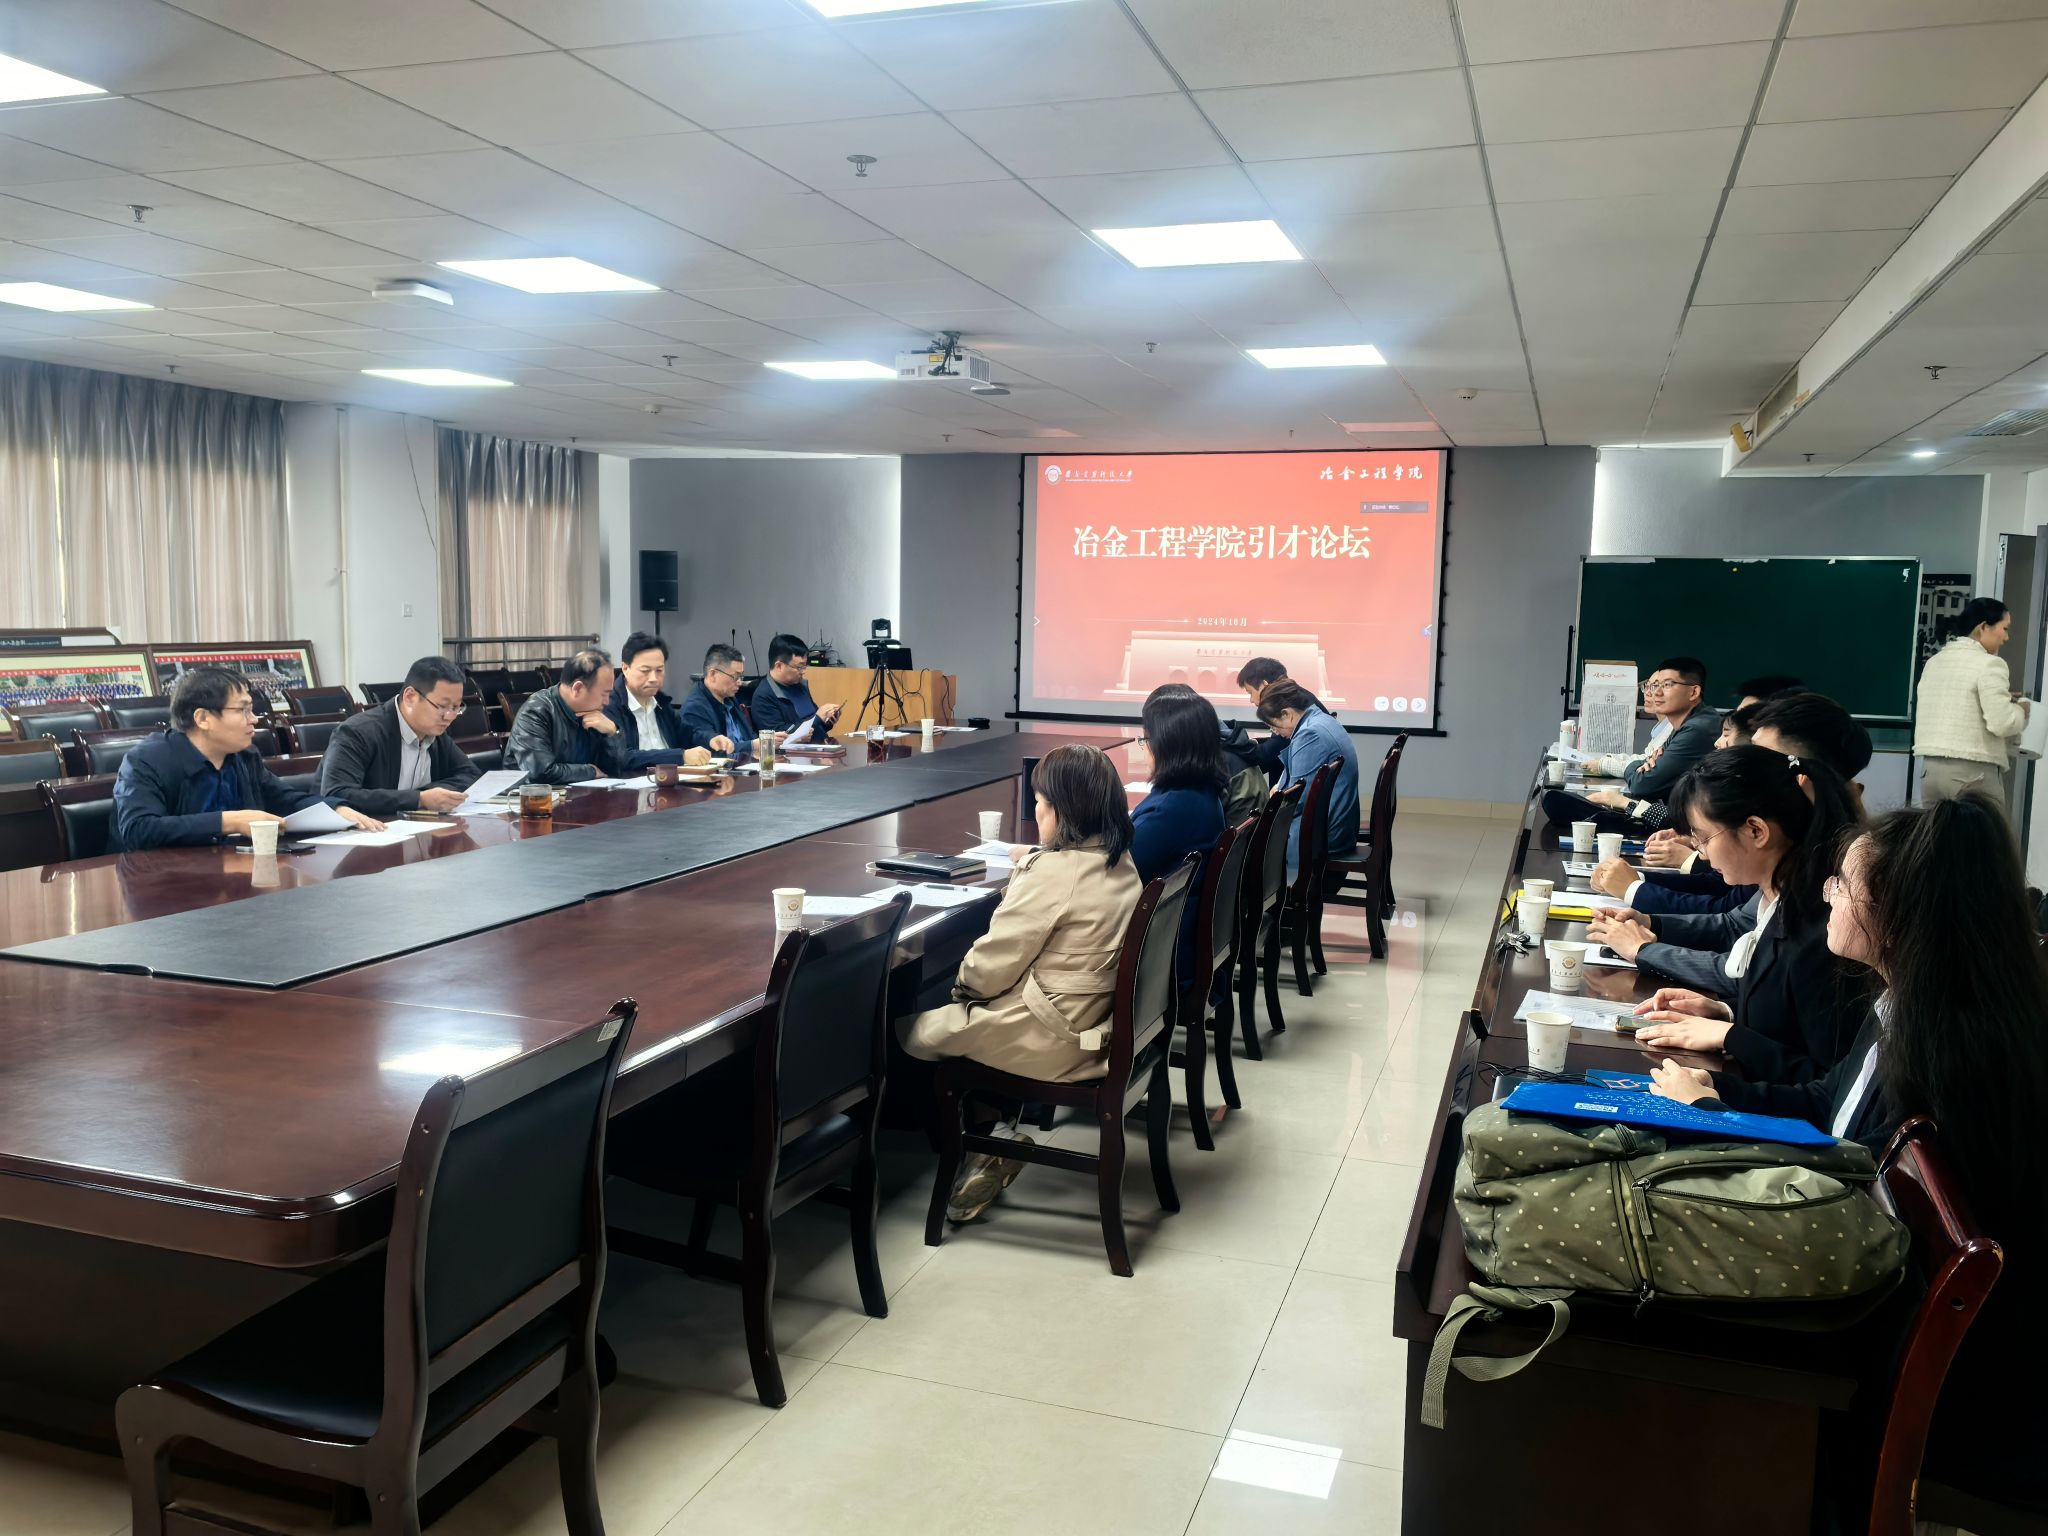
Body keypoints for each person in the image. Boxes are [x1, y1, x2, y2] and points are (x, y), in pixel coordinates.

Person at [1648, 793, 2048, 1520]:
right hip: (1876, 1305)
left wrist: (1713, 1117)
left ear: (1898, 915)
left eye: (1843, 884)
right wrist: (1717, 1089)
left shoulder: (1952, 1054)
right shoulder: (1909, 1004)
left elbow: (1850, 1178)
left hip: (1943, 1387)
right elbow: (1830, 1103)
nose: (1826, 894)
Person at [902, 744, 1143, 1220]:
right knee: (965, 1016)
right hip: (1094, 1027)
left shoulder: (1052, 875)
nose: (1036, 813)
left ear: (1061, 811)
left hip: (1051, 1040)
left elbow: (986, 971)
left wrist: (961, 995)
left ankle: (979, 1143)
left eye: (1039, 803)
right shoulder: (1120, 861)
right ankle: (991, 1137)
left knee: (907, 1032)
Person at [1603, 747, 1865, 1085]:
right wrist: (1725, 1011)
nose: (1700, 852)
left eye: (1703, 837)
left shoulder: (1821, 930)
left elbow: (1830, 1086)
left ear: (1756, 831)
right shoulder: (1779, 893)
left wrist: (1730, 1036)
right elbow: (1782, 1016)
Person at [111, 666, 381, 851]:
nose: (254, 720)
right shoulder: (146, 761)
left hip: (233, 874)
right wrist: (230, 821)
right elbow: (139, 830)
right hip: (165, 886)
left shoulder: (243, 755)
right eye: (243, 710)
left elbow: (284, 798)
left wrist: (335, 809)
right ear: (203, 718)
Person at [1542, 657, 1719, 831]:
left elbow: (1644, 784)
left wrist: (1635, 767)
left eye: (1667, 685)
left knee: (1587, 810)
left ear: (1693, 692)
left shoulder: (1697, 729)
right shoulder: (1692, 720)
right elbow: (1648, 763)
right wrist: (1643, 765)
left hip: (1685, 825)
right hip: (1673, 814)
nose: (1656, 693)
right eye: (1655, 685)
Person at [1130, 685, 1227, 980]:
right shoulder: (1200, 791)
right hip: (1177, 940)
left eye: (1146, 739)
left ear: (1168, 746)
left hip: (1160, 955)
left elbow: (1114, 872)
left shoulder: (1170, 810)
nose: (1144, 747)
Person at [318, 655, 481, 817]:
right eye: (442, 706)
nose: (449, 716)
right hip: (359, 828)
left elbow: (471, 775)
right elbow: (337, 795)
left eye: (456, 707)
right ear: (410, 697)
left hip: (412, 826)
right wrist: (418, 799)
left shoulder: (435, 732)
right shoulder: (357, 733)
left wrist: (426, 795)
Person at [1913, 595, 2029, 808]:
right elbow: (2002, 723)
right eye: (2004, 628)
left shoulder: (1934, 662)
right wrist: (2020, 710)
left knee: (1936, 830)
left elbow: (1956, 702)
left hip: (1930, 771)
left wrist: (2002, 698)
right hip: (1972, 773)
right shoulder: (1990, 664)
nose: (2006, 637)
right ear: (1983, 627)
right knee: (1985, 830)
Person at [1257, 680, 1360, 875]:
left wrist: (1277, 795)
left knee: (1246, 850)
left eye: (1273, 726)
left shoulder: (1310, 735)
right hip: (1336, 828)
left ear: (1287, 714)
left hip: (1320, 840)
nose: (1275, 732)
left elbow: (1295, 802)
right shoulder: (1322, 720)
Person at [507, 647, 636, 785]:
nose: (607, 701)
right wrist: (590, 771)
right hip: (529, 796)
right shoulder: (535, 712)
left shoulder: (594, 713)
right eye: (604, 694)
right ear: (577, 689)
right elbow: (540, 773)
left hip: (582, 793)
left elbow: (614, 770)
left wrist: (613, 732)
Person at [601, 632, 711, 770]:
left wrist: (711, 739)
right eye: (645, 671)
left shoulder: (661, 702)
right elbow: (623, 758)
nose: (653, 678)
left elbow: (687, 734)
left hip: (673, 777)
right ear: (625, 668)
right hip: (636, 780)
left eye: (659, 670)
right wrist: (680, 756)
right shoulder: (609, 705)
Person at [1233, 657, 1325, 775]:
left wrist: (1231, 743)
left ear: (1264, 685)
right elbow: (1277, 745)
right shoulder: (1299, 695)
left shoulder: (1289, 704)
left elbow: (1266, 754)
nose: (1251, 700)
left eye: (1250, 692)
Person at [748, 633, 844, 739]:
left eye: (805, 666)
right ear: (779, 666)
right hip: (797, 749)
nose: (803, 671)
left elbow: (815, 724)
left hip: (820, 744)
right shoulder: (763, 696)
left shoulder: (800, 686)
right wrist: (817, 718)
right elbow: (778, 736)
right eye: (799, 667)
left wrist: (827, 719)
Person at [679, 642, 751, 754]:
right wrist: (752, 745)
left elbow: (749, 735)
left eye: (741, 676)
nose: (739, 682)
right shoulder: (695, 708)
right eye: (735, 676)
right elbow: (717, 751)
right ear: (712, 674)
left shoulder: (729, 698)